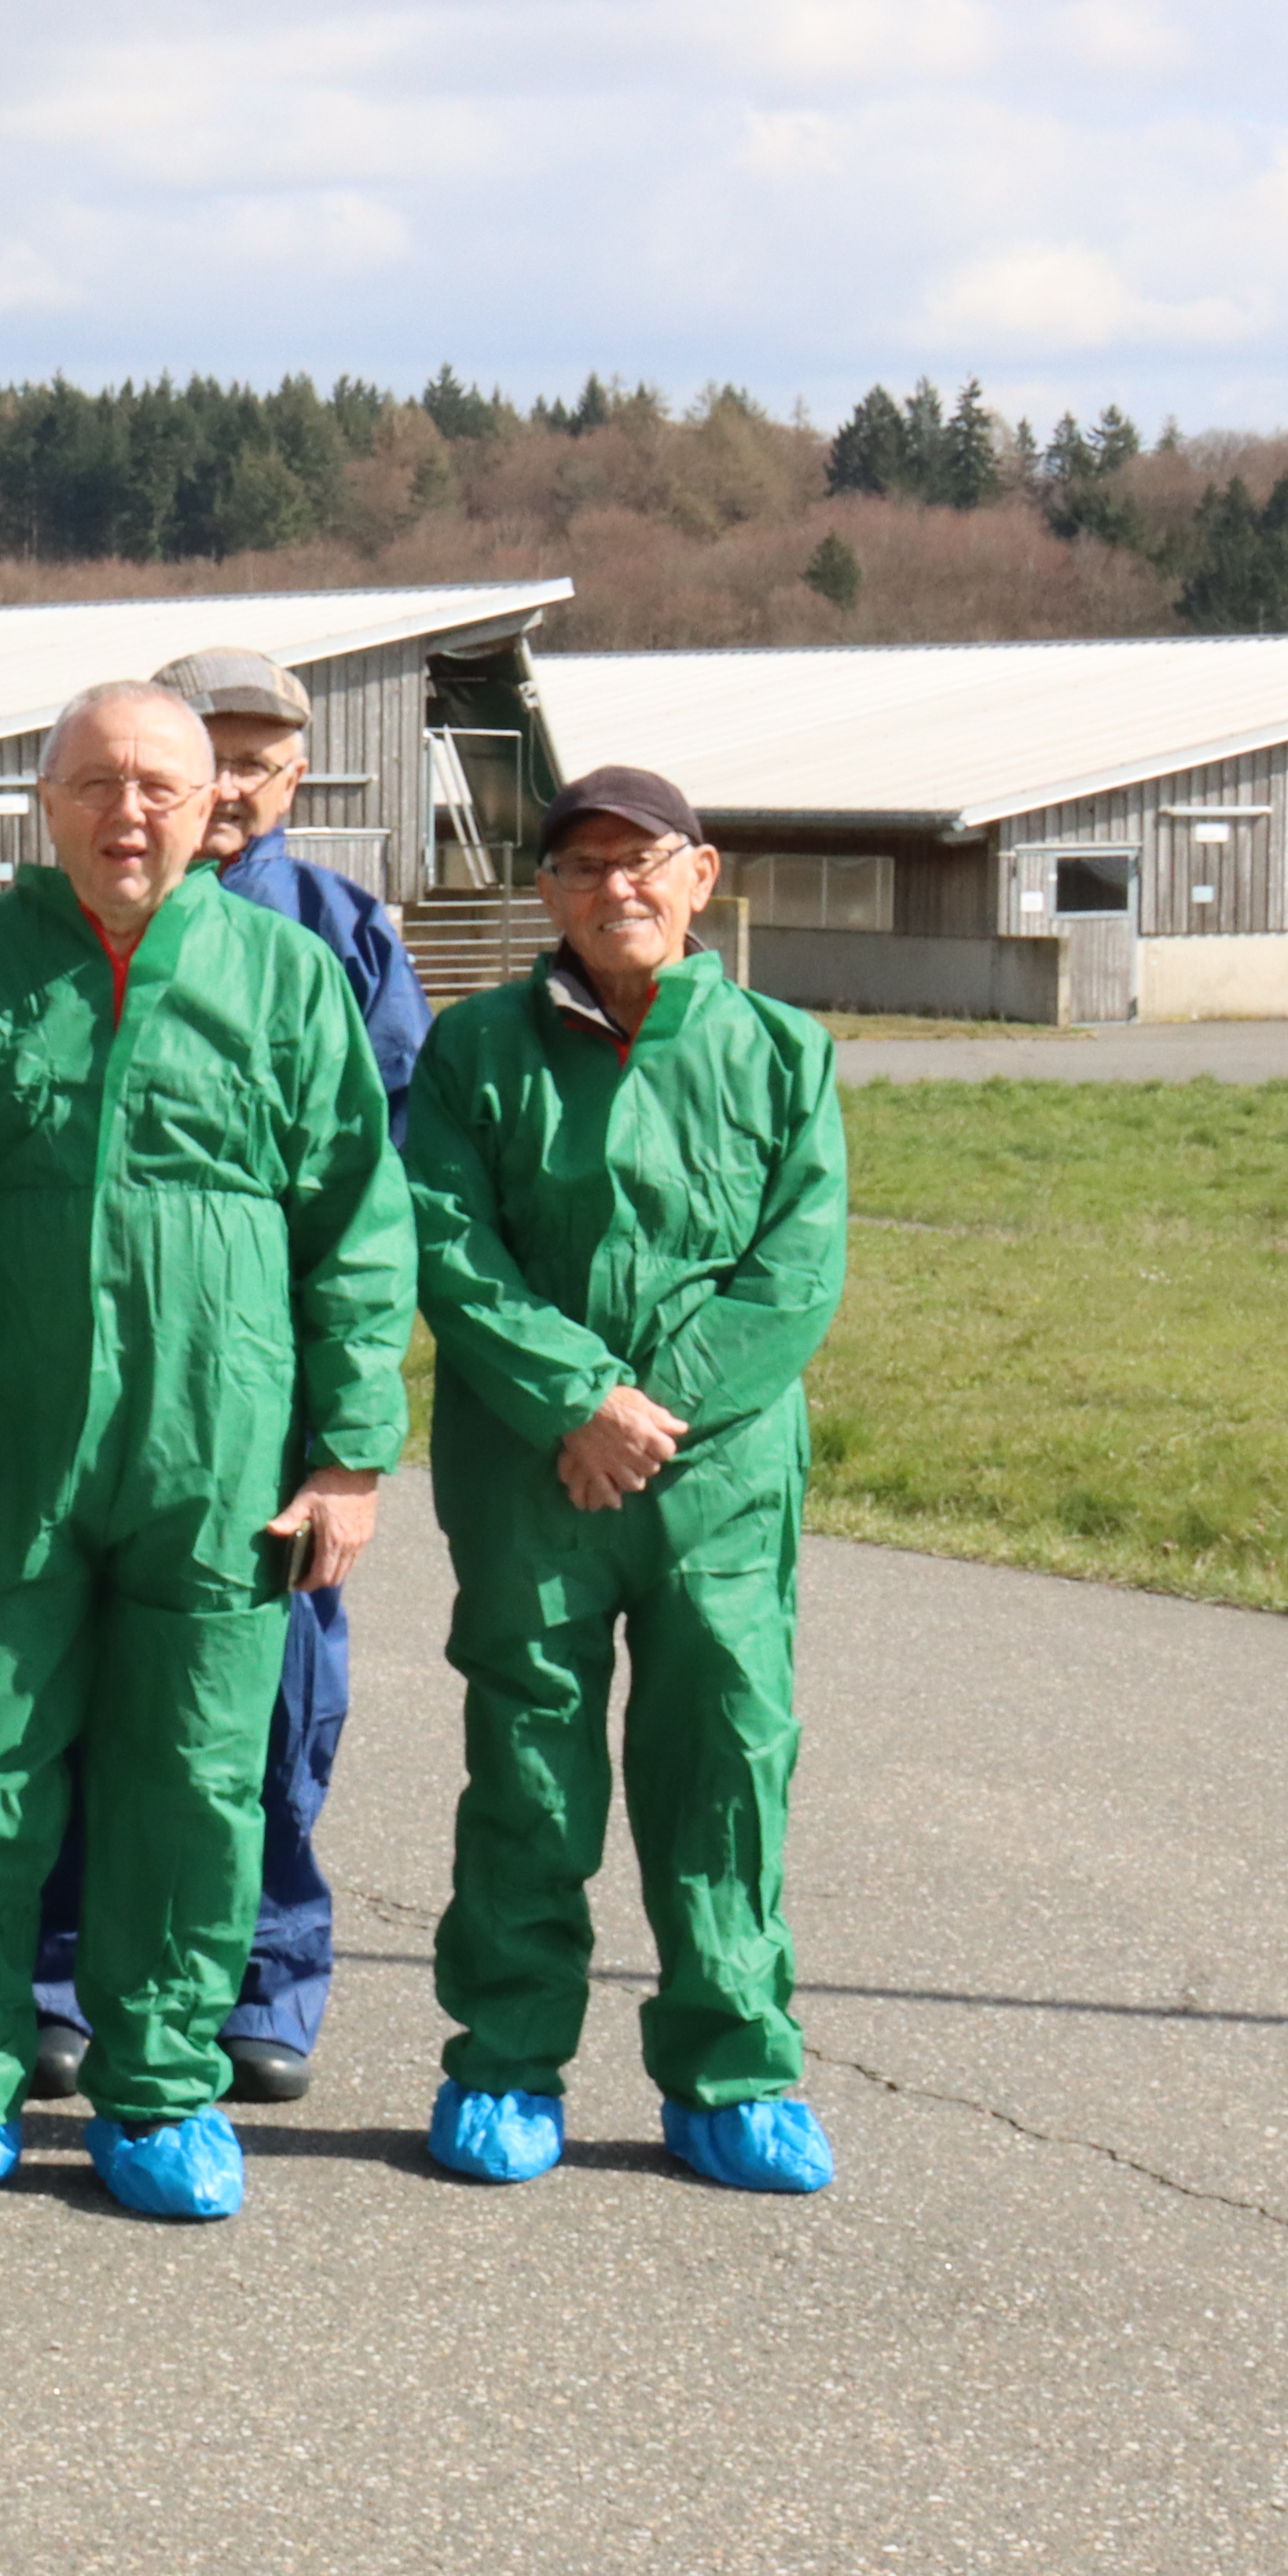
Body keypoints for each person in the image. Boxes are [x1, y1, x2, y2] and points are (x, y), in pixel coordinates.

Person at [0, 682, 409, 2226]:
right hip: (9, 1457)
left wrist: (351, 1452)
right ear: (46, 804)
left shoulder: (284, 979)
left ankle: (160, 2088)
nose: (131, 812)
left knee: (199, 1778)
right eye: (97, 783)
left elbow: (359, 1226)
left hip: (219, 1455)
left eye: (161, 783)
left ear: (214, 801)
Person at [407, 765, 849, 2193]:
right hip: (537, 1472)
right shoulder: (475, 1054)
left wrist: (655, 1409)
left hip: (718, 1478)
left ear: (703, 876)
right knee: (529, 1769)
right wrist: (574, 1399)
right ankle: (507, 2062)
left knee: (724, 1761)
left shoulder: (784, 1052)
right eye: (585, 868)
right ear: (546, 892)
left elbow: (799, 1266)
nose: (618, 890)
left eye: (646, 862)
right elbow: (449, 1243)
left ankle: (731, 2073)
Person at [28, 644, 437, 2106]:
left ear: (282, 776)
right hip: (85, 1413)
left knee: (264, 1712)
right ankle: (65, 1973)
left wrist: (348, 1431)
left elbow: (369, 1178)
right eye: (214, 750)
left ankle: (265, 1972)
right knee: (72, 1702)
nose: (235, 784)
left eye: (259, 759)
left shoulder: (335, 935)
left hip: (251, 1399)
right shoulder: (46, 932)